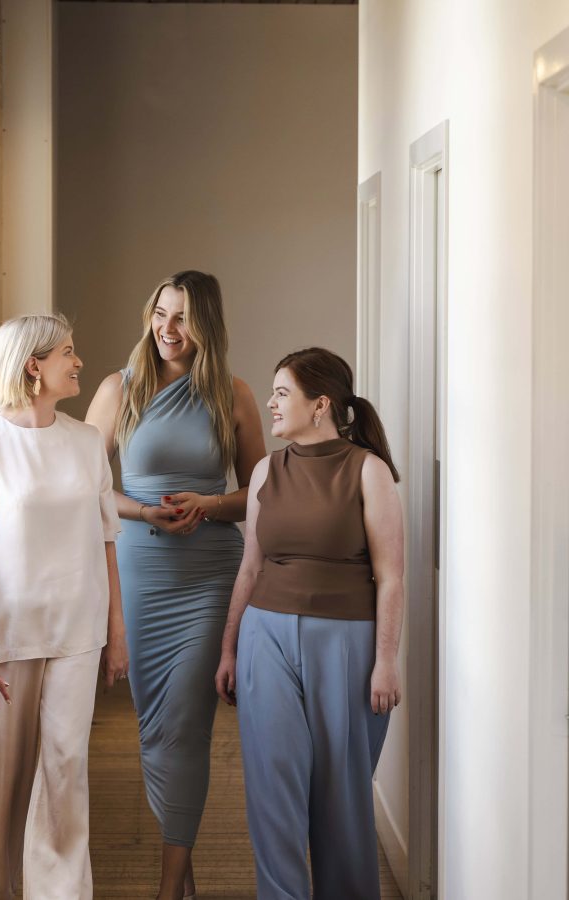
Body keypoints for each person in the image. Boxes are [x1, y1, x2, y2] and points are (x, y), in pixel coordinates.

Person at [0, 314, 128, 900]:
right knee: (0, 779)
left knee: (65, 770)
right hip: (6, 637)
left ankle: (62, 892)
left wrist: (117, 630)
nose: (79, 362)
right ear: (32, 366)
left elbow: (107, 540)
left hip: (77, 631)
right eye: (67, 353)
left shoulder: (86, 441)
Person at [86, 271, 265, 900]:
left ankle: (166, 888)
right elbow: (83, 485)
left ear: (206, 324)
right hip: (140, 571)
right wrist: (142, 511)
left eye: (183, 318)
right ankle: (183, 881)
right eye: (161, 313)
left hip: (210, 575)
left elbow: (257, 495)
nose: (168, 328)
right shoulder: (118, 389)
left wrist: (210, 505)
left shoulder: (234, 395)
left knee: (187, 721)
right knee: (156, 727)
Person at [215, 347, 404, 900]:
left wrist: (386, 662)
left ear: (320, 404)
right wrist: (229, 649)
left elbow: (391, 577)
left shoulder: (368, 471)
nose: (270, 403)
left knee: (341, 800)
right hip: (263, 639)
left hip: (346, 644)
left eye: (282, 393)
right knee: (272, 794)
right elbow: (250, 566)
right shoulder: (263, 472)